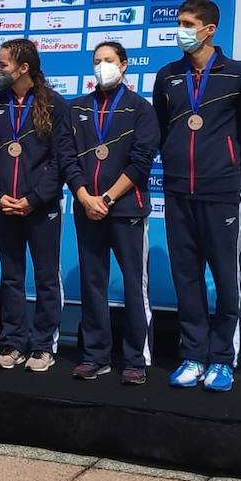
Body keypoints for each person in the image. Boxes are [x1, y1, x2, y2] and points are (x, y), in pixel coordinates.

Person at [152, 0, 241, 393]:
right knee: (186, 278)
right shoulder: (168, 76)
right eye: (179, 23)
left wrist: (232, 175)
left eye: (188, 24)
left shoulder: (238, 74)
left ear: (210, 30)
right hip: (178, 190)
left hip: (220, 192)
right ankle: (193, 355)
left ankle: (223, 359)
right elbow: (162, 130)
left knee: (226, 280)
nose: (181, 30)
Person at [0, 39, 73, 373]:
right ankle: (13, 342)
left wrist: (34, 199)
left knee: (46, 277)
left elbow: (61, 161)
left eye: (3, 64)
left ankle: (43, 346)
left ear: (24, 68)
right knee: (11, 276)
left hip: (41, 208)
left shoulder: (55, 105)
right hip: (2, 206)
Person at [63, 41, 159, 384]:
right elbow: (67, 157)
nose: (102, 65)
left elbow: (141, 161)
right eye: (97, 60)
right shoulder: (77, 108)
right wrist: (84, 196)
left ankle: (135, 359)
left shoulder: (140, 109)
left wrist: (106, 198)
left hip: (126, 209)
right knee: (93, 283)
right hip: (87, 208)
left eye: (109, 60)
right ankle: (95, 355)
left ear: (124, 65)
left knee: (134, 285)